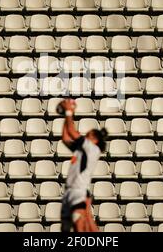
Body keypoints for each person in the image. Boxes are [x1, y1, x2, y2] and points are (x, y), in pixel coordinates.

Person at [59, 99, 108, 232]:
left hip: (79, 190)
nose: (85, 137)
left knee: (79, 227)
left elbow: (72, 131)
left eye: (88, 136)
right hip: (69, 190)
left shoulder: (92, 148)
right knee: (67, 228)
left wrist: (69, 111)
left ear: (95, 140)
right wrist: (67, 115)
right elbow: (65, 138)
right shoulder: (82, 149)